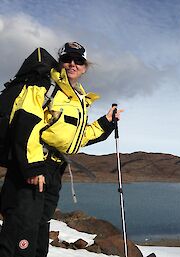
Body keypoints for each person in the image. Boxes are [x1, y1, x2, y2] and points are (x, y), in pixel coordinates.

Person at [0, 42, 122, 257]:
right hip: (33, 167)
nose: (72, 64)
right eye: (67, 59)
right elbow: (25, 125)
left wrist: (106, 122)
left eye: (79, 61)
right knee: (21, 228)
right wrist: (33, 167)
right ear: (60, 62)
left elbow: (77, 138)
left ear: (85, 67)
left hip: (54, 170)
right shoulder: (42, 86)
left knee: (39, 227)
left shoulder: (77, 98)